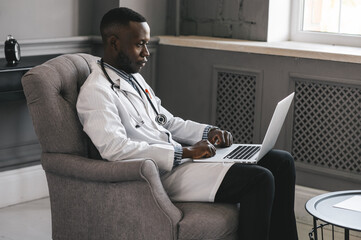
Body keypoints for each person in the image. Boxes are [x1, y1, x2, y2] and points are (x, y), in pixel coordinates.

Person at [76, 7, 298, 240]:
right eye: (140, 44)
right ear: (114, 43)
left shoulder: (134, 79)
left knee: (282, 162)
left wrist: (208, 132)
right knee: (259, 179)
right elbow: (115, 149)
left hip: (181, 161)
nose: (147, 53)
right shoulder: (96, 91)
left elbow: (167, 122)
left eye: (147, 44)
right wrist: (184, 151)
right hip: (159, 175)